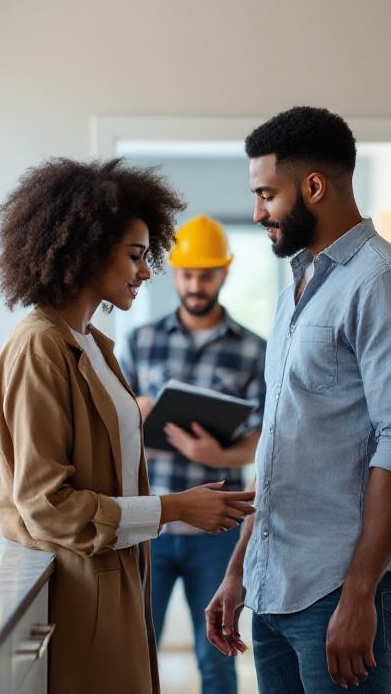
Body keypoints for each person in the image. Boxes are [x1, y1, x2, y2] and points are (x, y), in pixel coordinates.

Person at [0, 158, 257, 694]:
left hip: (113, 574)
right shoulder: (40, 345)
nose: (146, 271)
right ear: (87, 250)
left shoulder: (93, 345)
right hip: (79, 585)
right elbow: (47, 505)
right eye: (136, 256)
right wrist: (175, 508)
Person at [204, 107, 391, 692]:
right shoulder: (299, 289)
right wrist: (239, 569)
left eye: (267, 194)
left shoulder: (383, 282)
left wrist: (361, 592)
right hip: (276, 585)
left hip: (340, 590)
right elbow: (284, 446)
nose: (258, 212)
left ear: (313, 187)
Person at [119, 214, 267, 694]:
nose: (196, 284)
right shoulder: (141, 342)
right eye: (187, 273)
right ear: (175, 274)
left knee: (217, 654)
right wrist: (134, 411)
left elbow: (268, 440)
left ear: (224, 274)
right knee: (137, 652)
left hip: (219, 529)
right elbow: (110, 428)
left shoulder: (254, 350)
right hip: (151, 525)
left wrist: (219, 456)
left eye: (206, 274)